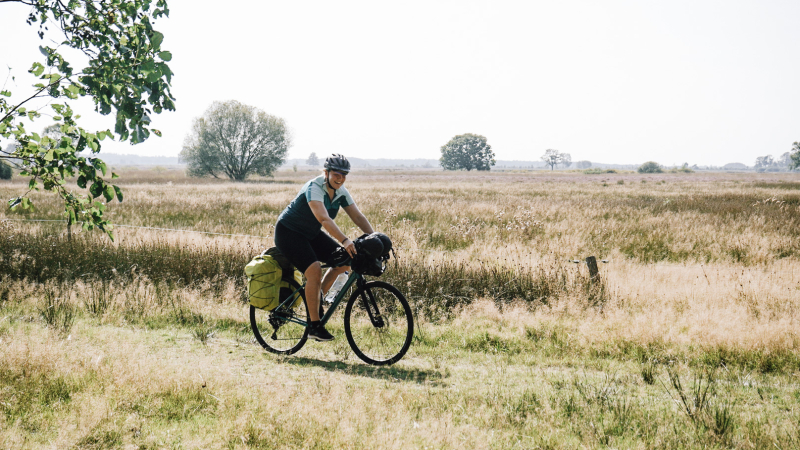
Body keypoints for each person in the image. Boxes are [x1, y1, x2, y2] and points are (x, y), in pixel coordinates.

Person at [274, 154, 374, 341]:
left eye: (344, 175)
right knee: (314, 271)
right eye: (337, 174)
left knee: (343, 264)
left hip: (310, 233)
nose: (341, 178)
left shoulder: (341, 191)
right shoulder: (314, 187)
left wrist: (374, 237)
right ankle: (314, 326)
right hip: (289, 232)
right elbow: (323, 218)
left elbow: (358, 217)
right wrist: (345, 241)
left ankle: (315, 296)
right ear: (326, 172)